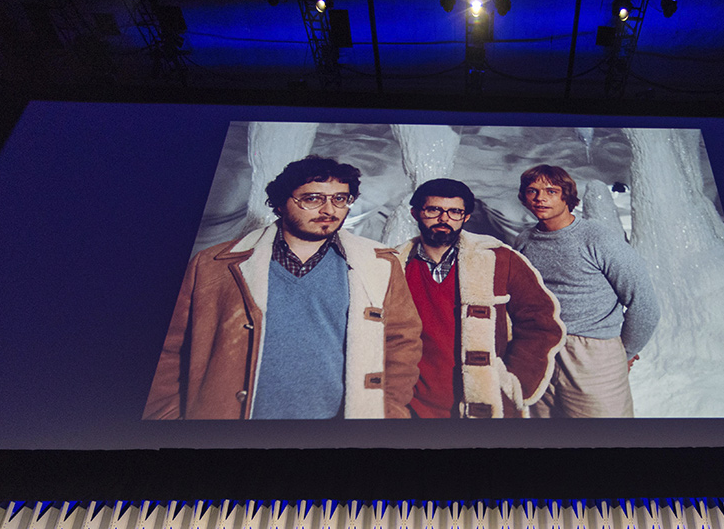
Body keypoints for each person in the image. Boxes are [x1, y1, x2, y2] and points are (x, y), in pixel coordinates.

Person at [144, 155, 422, 419]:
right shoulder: (212, 264)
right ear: (279, 203)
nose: (329, 210)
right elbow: (169, 352)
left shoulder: (379, 264)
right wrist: (167, 418)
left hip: (337, 425)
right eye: (312, 199)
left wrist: (389, 409)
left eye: (340, 199)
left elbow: (402, 342)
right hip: (231, 425)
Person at [394, 178, 564, 418]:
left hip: (484, 400)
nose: (444, 219)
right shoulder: (394, 265)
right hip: (412, 405)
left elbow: (542, 322)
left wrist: (515, 382)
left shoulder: (500, 260)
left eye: (455, 212)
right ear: (415, 213)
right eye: (433, 210)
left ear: (466, 218)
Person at [513, 164, 660, 418]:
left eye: (551, 191)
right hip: (540, 349)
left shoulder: (598, 239)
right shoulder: (524, 240)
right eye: (532, 191)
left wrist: (623, 354)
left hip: (592, 353)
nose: (541, 198)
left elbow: (644, 305)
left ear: (566, 196)